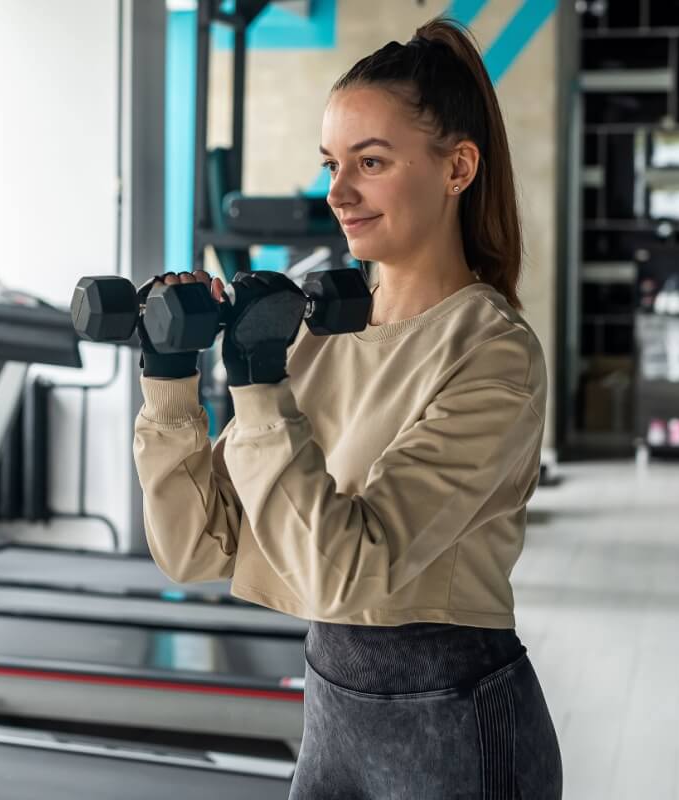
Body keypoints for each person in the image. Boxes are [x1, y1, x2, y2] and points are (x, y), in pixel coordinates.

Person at [132, 16, 562, 800]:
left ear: (458, 167)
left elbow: (349, 575)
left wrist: (260, 382)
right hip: (334, 712)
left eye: (371, 162)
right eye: (331, 164)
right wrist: (169, 377)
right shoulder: (323, 333)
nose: (338, 193)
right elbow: (198, 547)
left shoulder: (491, 352)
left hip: (458, 725)